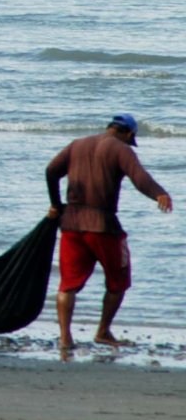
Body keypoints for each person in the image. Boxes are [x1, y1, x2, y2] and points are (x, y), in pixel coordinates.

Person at [45, 114, 172, 354]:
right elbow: (139, 178)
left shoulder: (77, 144)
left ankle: (65, 338)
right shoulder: (121, 149)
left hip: (71, 224)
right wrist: (159, 194)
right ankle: (103, 331)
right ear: (129, 134)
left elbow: (51, 171)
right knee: (119, 280)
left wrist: (56, 204)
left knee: (67, 284)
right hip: (103, 226)